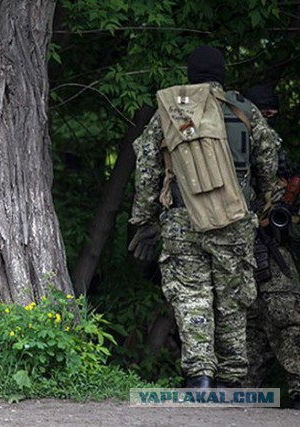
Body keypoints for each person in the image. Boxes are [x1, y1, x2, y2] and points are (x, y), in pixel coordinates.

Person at [128, 46, 280, 388]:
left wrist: (144, 218)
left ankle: (200, 376)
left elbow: (148, 167)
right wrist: (263, 203)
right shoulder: (244, 110)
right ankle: (232, 377)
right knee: (233, 298)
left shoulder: (171, 110)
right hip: (234, 219)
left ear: (190, 74)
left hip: (183, 219)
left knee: (191, 295)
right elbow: (268, 161)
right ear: (221, 75)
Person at [242, 84, 300, 409]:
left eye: (273, 115)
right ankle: (244, 392)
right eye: (264, 114)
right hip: (247, 246)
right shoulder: (234, 150)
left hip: (266, 246)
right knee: (272, 317)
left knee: (279, 316)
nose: (269, 120)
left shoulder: (272, 149)